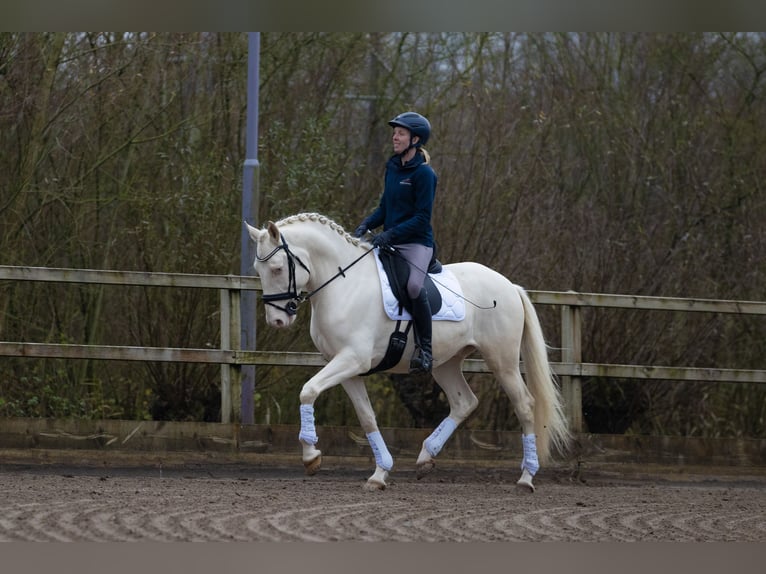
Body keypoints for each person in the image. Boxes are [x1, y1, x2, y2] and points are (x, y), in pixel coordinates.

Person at [353, 111, 437, 374]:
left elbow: (422, 219)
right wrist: (367, 224)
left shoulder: (425, 175)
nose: (395, 136)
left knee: (413, 286)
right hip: (390, 241)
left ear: (415, 139)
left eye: (400, 133)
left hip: (416, 244)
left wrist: (389, 234)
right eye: (394, 132)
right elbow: (385, 208)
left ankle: (425, 350)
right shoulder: (392, 167)